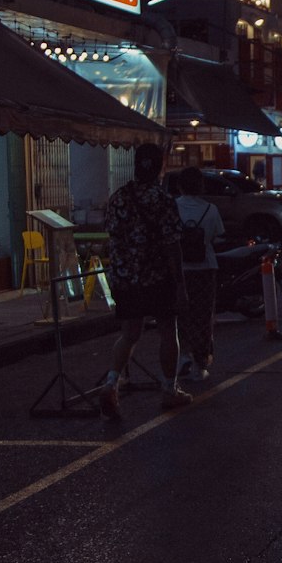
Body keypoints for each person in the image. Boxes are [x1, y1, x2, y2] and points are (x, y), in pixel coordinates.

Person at [98, 143, 193, 420]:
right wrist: (180, 284)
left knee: (129, 333)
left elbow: (113, 238)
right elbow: (172, 245)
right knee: (167, 330)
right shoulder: (163, 201)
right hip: (158, 278)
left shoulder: (118, 198)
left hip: (125, 278)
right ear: (160, 167)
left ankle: (111, 383)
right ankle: (168, 389)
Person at [174, 165, 226, 383]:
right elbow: (218, 236)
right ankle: (200, 363)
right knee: (204, 316)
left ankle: (182, 354)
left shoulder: (173, 207)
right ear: (201, 185)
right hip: (206, 268)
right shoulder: (210, 209)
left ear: (180, 186)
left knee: (180, 313)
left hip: (180, 269)